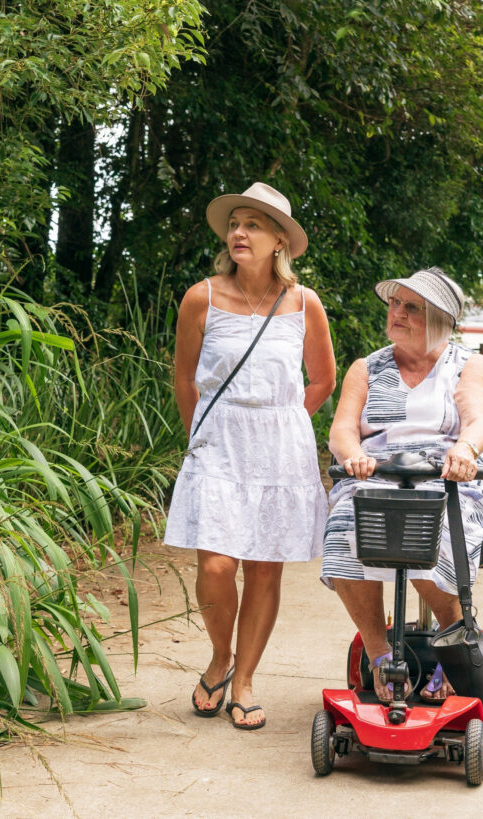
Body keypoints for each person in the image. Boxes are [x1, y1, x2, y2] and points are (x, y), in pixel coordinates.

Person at [164, 182, 336, 729]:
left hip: (281, 448)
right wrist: (203, 434)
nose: (239, 232)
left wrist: (283, 422)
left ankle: (244, 680)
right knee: (216, 565)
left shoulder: (305, 303)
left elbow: (324, 380)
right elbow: (185, 377)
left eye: (253, 225)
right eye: (235, 223)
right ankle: (220, 655)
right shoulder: (203, 297)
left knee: (265, 569)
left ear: (280, 240)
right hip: (218, 444)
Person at [321, 267, 483, 703]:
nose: (397, 313)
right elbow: (342, 430)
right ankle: (379, 651)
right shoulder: (367, 367)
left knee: (424, 530)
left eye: (411, 307)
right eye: (394, 304)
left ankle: (449, 645)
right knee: (346, 525)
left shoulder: (466, 365)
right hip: (377, 473)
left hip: (448, 476)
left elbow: (479, 419)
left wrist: (464, 449)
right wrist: (353, 455)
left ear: (440, 318)